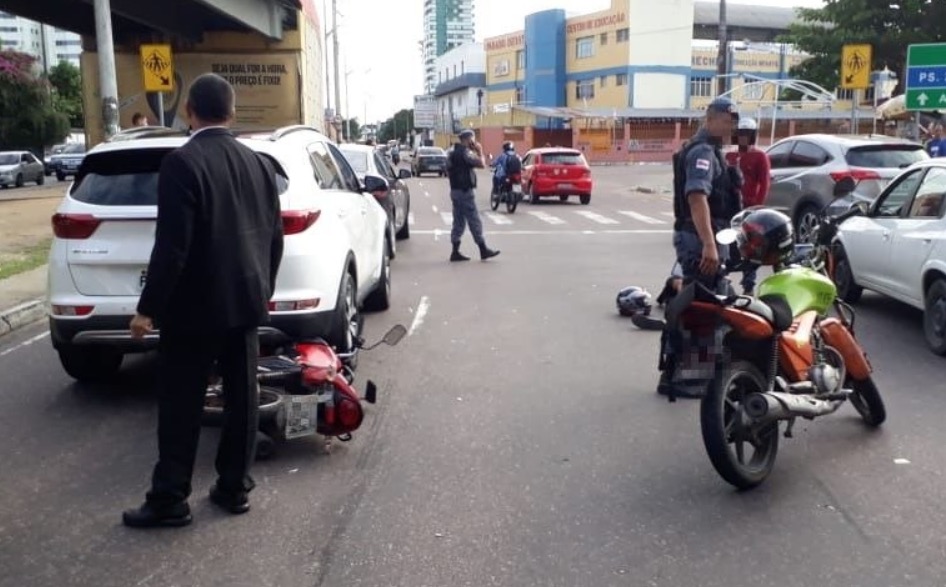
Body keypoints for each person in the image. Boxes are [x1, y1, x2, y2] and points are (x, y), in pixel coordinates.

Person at [122, 73, 285, 528]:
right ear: (231, 112)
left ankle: (170, 498)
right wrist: (263, 290)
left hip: (193, 310)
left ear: (189, 111)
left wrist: (148, 307)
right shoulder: (260, 164)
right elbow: (275, 237)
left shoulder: (182, 163)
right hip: (246, 302)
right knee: (242, 399)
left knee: (181, 405)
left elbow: (173, 246)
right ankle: (234, 489)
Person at [655, 96, 740, 399]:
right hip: (699, 238)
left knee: (701, 302)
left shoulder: (712, 150)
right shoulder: (703, 151)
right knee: (701, 308)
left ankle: (679, 374)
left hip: (707, 236)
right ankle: (685, 378)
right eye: (728, 122)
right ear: (712, 118)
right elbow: (696, 197)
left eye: (734, 122)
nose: (732, 128)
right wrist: (708, 244)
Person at [725, 116, 770, 295]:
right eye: (740, 134)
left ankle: (749, 284)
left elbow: (765, 182)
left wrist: (757, 206)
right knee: (728, 243)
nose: (743, 137)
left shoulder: (760, 156)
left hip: (749, 209)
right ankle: (722, 277)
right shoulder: (729, 156)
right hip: (730, 207)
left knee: (750, 248)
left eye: (747, 134)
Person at [446, 129, 500, 262]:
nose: (474, 142)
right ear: (468, 139)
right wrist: (480, 151)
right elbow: (482, 164)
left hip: (455, 190)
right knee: (474, 219)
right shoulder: (466, 153)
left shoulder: (451, 153)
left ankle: (455, 251)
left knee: (458, 221)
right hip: (465, 191)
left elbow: (447, 168)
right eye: (472, 139)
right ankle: (483, 249)